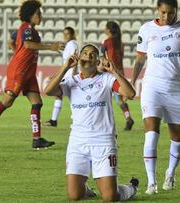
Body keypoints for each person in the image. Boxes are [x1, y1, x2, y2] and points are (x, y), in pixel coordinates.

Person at [44, 44, 138, 202]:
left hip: (103, 141)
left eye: (93, 54)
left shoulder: (107, 79)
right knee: (74, 196)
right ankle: (85, 188)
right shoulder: (70, 82)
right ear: (79, 58)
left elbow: (130, 93)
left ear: (97, 60)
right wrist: (66, 66)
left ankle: (131, 188)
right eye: (85, 53)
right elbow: (48, 91)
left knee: (109, 197)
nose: (88, 56)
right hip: (78, 142)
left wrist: (114, 71)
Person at [130, 0, 180, 194]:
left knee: (178, 138)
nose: (167, 17)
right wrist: (131, 82)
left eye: (171, 13)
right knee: (151, 135)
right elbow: (140, 60)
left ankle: (170, 173)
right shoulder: (146, 29)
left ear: (176, 12)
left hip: (175, 88)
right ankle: (151, 182)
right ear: (157, 11)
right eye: (163, 12)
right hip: (152, 87)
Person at [0, 0, 64, 149]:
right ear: (30, 15)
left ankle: (37, 139)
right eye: (38, 13)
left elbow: (12, 41)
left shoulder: (30, 29)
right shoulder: (26, 27)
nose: (40, 16)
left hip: (28, 72)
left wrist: (16, 51)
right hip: (20, 71)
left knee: (37, 103)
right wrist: (50, 47)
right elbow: (28, 45)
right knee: (7, 101)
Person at [101, 21, 134, 131]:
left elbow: (102, 57)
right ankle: (128, 117)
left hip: (110, 72)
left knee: (110, 99)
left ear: (109, 30)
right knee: (119, 99)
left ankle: (107, 122)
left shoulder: (106, 42)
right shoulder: (120, 43)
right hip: (120, 72)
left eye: (106, 28)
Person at [45, 26, 78, 127]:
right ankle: (54, 120)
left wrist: (74, 73)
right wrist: (56, 75)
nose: (65, 36)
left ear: (72, 35)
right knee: (59, 95)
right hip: (66, 74)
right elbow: (65, 63)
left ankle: (77, 120)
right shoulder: (69, 45)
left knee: (73, 99)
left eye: (67, 34)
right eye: (64, 34)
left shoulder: (72, 44)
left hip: (70, 75)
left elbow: (75, 59)